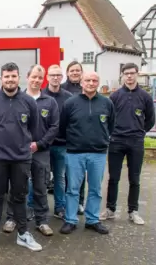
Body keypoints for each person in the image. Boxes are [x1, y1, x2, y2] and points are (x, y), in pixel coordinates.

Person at [0, 62, 42, 252]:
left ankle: (23, 235)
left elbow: (34, 128)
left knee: (19, 196)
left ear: (18, 78)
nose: (10, 80)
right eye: (7, 76)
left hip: (21, 158)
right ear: (1, 78)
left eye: (13, 76)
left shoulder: (28, 102)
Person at [5, 65, 59, 236]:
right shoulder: (17, 99)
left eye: (39, 78)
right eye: (33, 77)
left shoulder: (50, 102)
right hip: (18, 152)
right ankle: (12, 218)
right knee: (16, 186)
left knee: (40, 186)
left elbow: (54, 127)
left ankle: (42, 221)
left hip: (40, 151)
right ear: (27, 77)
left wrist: (39, 144)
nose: (36, 80)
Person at [59, 71, 115, 235]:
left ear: (98, 83)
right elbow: (63, 127)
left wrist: (101, 140)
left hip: (98, 153)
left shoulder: (107, 103)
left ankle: (92, 220)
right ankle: (70, 220)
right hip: (75, 153)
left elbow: (110, 126)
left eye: (94, 80)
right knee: (72, 189)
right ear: (81, 83)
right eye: (87, 80)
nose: (91, 83)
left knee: (95, 189)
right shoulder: (70, 103)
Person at [101, 63, 155, 225]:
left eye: (132, 73)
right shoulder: (115, 97)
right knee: (114, 178)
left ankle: (133, 211)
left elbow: (151, 119)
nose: (129, 76)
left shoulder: (145, 97)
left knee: (135, 178)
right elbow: (107, 118)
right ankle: (110, 209)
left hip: (136, 142)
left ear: (137, 74)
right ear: (122, 76)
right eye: (126, 73)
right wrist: (112, 134)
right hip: (116, 141)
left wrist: (139, 132)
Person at [43, 65, 73, 219]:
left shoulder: (68, 97)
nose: (55, 78)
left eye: (58, 75)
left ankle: (59, 207)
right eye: (52, 75)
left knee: (60, 178)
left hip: (62, 145)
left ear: (62, 78)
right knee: (40, 177)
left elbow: (72, 121)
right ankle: (35, 206)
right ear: (47, 77)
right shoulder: (40, 95)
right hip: (43, 146)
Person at [62, 61, 86, 215]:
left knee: (80, 174)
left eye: (78, 70)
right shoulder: (63, 89)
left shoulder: (86, 89)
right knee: (66, 174)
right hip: (66, 138)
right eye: (72, 70)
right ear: (67, 72)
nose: (75, 73)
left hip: (82, 139)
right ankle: (67, 202)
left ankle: (80, 202)